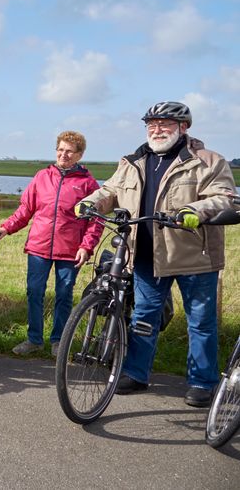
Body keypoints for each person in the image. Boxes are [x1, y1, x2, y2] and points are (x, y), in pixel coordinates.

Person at [76, 101, 235, 407]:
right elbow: (110, 190)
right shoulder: (133, 161)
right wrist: (90, 202)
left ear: (183, 128)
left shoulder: (208, 161)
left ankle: (202, 382)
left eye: (164, 124)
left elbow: (226, 199)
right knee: (143, 317)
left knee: (200, 322)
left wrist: (195, 210)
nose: (157, 130)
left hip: (195, 257)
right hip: (146, 254)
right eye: (152, 125)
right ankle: (136, 373)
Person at [0, 131, 101, 357]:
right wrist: (7, 227)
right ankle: (34, 339)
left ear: (79, 155)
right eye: (60, 150)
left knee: (64, 294)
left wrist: (86, 246)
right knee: (34, 292)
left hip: (70, 250)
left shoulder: (88, 184)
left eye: (70, 151)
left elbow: (96, 221)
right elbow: (26, 209)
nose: (64, 154)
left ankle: (58, 341)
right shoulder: (42, 177)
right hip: (39, 247)